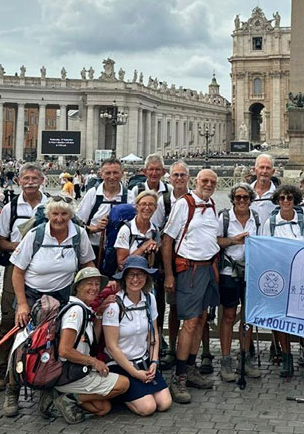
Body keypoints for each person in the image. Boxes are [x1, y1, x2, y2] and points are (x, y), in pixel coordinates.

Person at [6, 196, 96, 416]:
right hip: (33, 297)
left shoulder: (79, 235)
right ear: (48, 215)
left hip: (62, 298)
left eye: (64, 214)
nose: (59, 218)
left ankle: (48, 388)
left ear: (71, 216)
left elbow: (88, 263)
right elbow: (17, 272)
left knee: (54, 345)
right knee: (23, 344)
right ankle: (12, 389)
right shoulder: (35, 235)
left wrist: (96, 287)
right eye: (55, 214)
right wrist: (22, 305)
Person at [161, 168, 221, 404]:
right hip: (190, 269)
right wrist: (169, 275)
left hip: (208, 268)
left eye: (213, 182)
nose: (209, 184)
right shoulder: (184, 204)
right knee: (190, 322)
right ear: (196, 181)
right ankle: (179, 376)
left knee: (201, 319)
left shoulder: (212, 204)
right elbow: (167, 240)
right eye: (205, 180)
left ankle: (191, 367)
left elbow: (212, 239)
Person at [0, 163, 48, 401]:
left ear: (42, 180)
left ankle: (40, 369)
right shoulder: (10, 207)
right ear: (19, 181)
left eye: (34, 178)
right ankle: (2, 371)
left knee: (46, 320)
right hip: (15, 267)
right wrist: (21, 246)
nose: (30, 182)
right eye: (26, 178)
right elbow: (0, 241)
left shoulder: (50, 204)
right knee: (9, 318)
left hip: (43, 269)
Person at [52, 267, 129, 423]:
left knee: (103, 408)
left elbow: (93, 341)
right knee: (123, 384)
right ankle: (68, 398)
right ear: (77, 287)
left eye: (96, 284)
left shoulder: (83, 308)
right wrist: (94, 362)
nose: (94, 288)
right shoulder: (76, 311)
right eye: (89, 284)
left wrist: (99, 313)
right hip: (69, 372)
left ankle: (59, 396)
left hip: (73, 371)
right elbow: (64, 350)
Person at [260, 183, 304, 381]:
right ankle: (286, 357)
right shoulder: (270, 222)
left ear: (295, 200)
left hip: (302, 278)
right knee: (280, 319)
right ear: (277, 200)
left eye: (289, 198)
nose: (286, 201)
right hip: (280, 278)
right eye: (282, 198)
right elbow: (265, 249)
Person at [103, 256, 172, 416]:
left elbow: (153, 334)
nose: (135, 279)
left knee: (164, 403)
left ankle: (135, 392)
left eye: (140, 274)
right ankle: (119, 394)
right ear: (124, 278)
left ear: (146, 277)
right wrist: (134, 373)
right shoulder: (114, 305)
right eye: (131, 275)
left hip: (144, 362)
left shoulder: (149, 299)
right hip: (120, 365)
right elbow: (111, 347)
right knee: (148, 408)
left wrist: (154, 362)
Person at [216, 182, 262, 382]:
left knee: (248, 317)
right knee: (228, 316)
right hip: (229, 271)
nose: (241, 200)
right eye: (238, 197)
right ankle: (225, 359)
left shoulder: (257, 219)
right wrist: (234, 240)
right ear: (233, 200)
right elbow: (217, 241)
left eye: (245, 197)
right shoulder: (224, 218)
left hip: (250, 271)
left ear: (251, 200)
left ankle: (244, 356)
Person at [150, 161, 190, 369]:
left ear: (188, 178)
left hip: (190, 260)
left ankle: (193, 351)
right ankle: (170, 348)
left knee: (195, 309)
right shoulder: (162, 201)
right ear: (170, 178)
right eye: (176, 175)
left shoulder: (196, 199)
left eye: (183, 175)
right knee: (170, 307)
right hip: (169, 261)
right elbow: (155, 229)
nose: (179, 179)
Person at [77, 158, 127, 264]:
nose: (112, 177)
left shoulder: (129, 196)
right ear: (101, 174)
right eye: (108, 173)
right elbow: (78, 224)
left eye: (115, 173)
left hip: (121, 251)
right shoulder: (92, 194)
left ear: (122, 173)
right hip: (94, 250)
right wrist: (95, 228)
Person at [248, 153, 277, 222]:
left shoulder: (280, 196)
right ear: (255, 170)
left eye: (268, 168)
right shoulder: (245, 193)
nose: (264, 171)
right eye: (262, 167)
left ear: (273, 172)